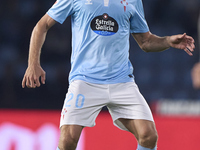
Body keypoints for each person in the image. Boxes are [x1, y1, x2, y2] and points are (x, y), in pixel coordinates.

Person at [21, 0, 195, 150]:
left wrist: (167, 41)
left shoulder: (132, 1)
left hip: (122, 82)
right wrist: (33, 64)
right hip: (85, 81)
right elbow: (41, 25)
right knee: (67, 141)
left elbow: (146, 41)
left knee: (149, 135)